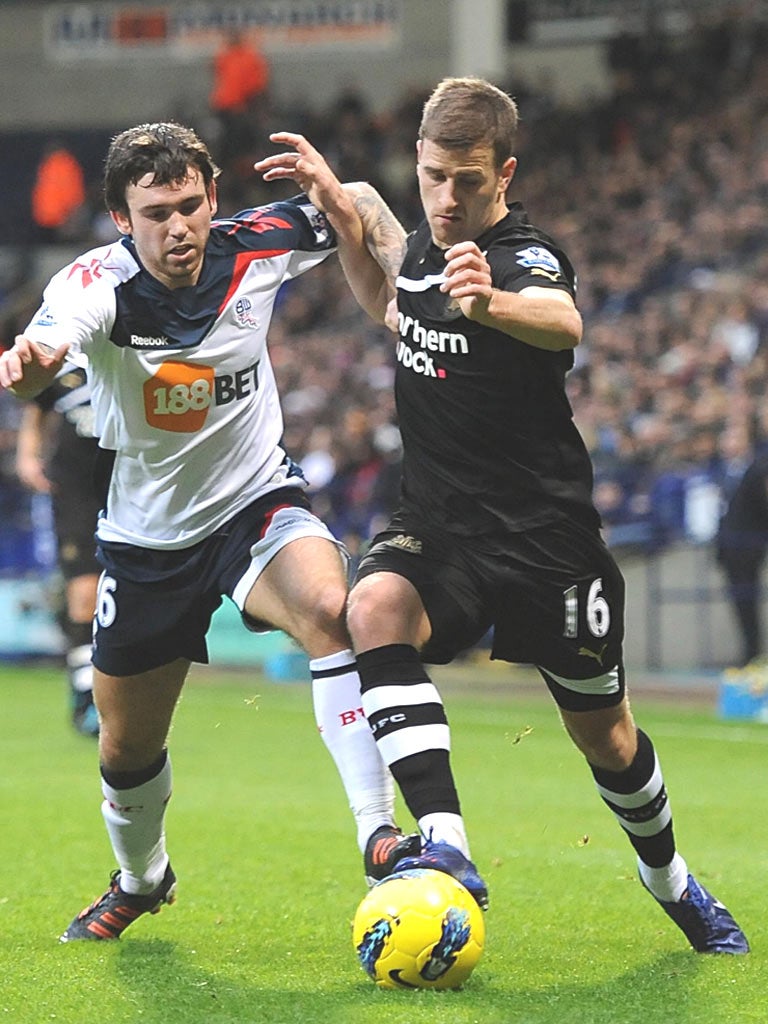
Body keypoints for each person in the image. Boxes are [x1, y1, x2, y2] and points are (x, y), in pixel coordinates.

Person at [337, 76, 747, 953]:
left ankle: (668, 877)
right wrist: (344, 216)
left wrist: (490, 304)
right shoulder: (417, 248)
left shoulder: (521, 257)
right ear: (419, 162)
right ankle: (445, 844)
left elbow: (563, 322)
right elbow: (393, 308)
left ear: (506, 175)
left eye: (471, 181)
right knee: (372, 607)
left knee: (606, 734)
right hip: (440, 526)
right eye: (436, 176)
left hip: (545, 544)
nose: (450, 199)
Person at [0, 121, 410, 942]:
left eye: (190, 205)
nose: (177, 226)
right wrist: (33, 365)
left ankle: (380, 834)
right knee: (125, 747)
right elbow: (48, 347)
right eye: (155, 212)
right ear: (122, 218)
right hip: (150, 538)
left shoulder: (257, 240)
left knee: (333, 612)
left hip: (255, 502)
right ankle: (143, 878)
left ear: (213, 198)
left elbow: (361, 204)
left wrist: (413, 289)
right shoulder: (96, 284)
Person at [14, 364, 101, 736]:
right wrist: (28, 456)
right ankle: (86, 696)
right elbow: (36, 406)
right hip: (74, 495)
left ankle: (108, 688)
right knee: (85, 595)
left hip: (132, 496)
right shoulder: (68, 368)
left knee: (124, 601)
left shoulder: (136, 360)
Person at [715, 442, 768, 666]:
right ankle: (749, 652)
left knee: (747, 599)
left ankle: (752, 652)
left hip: (747, 546)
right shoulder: (727, 471)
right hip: (730, 545)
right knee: (740, 601)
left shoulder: (757, 467)